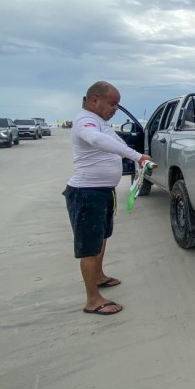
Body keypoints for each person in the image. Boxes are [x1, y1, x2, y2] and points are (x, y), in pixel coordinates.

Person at [63, 81, 152, 316]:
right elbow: (96, 140)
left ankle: (99, 276)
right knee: (89, 248)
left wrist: (137, 158)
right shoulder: (86, 121)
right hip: (86, 193)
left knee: (101, 237)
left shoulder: (102, 123)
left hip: (103, 192)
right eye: (112, 104)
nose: (115, 109)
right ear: (94, 100)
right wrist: (136, 156)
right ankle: (92, 300)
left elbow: (117, 142)